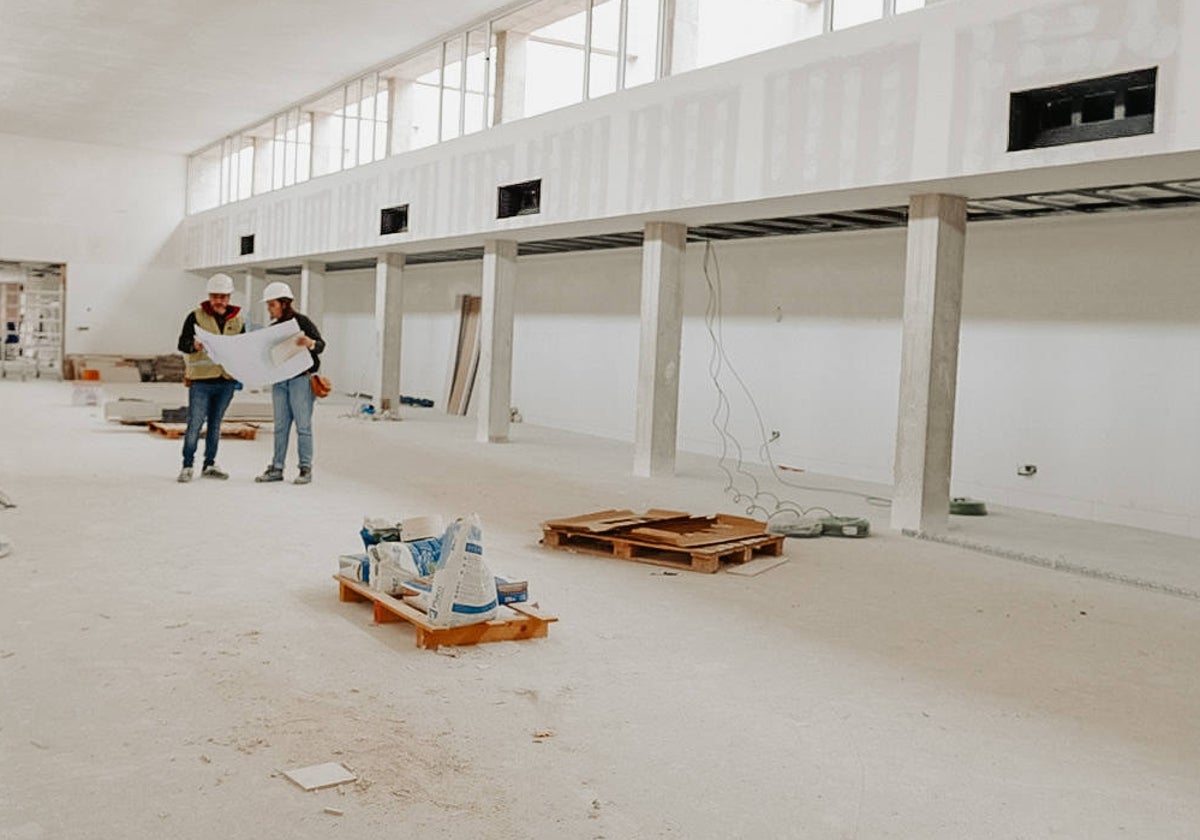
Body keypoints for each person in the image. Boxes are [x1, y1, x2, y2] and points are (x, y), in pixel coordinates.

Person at [176, 273, 245, 483]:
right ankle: (187, 465)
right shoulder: (195, 316)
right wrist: (193, 346)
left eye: (223, 296)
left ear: (229, 297)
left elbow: (243, 348)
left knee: (215, 424)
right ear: (209, 296)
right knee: (195, 423)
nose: (219, 300)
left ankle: (210, 464)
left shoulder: (238, 320)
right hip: (201, 381)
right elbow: (182, 343)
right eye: (215, 296)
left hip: (226, 381)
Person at [255, 281, 325, 485]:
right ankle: (277, 468)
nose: (269, 309)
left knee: (303, 426)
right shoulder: (274, 329)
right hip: (280, 382)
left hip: (301, 381)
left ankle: (305, 469)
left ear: (284, 303)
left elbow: (321, 345)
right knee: (280, 427)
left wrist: (310, 343)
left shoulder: (302, 322)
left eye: (272, 304)